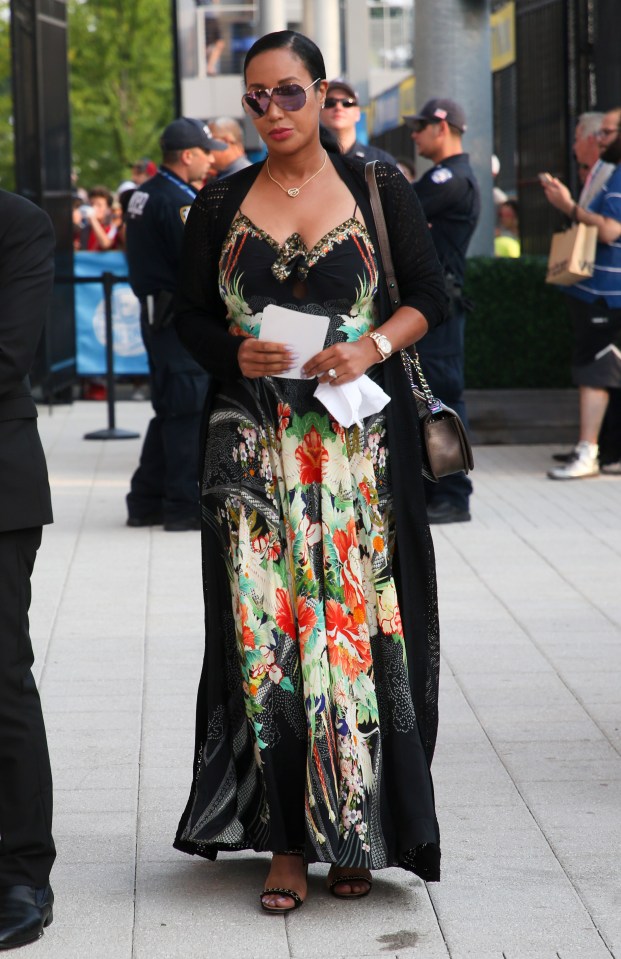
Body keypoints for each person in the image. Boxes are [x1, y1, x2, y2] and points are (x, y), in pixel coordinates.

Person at [172, 30, 446, 913]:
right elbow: (185, 319)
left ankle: (353, 826)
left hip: (355, 461)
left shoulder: (378, 185)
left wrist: (366, 345)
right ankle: (288, 840)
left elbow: (429, 302)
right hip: (250, 460)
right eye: (255, 98)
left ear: (324, 93)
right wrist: (233, 350)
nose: (272, 113)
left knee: (353, 638)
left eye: (288, 93)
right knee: (267, 643)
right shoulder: (217, 203)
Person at [124, 118, 226, 531]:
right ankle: (182, 505)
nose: (212, 157)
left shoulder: (144, 194)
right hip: (175, 320)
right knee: (185, 410)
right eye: (206, 151)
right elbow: (199, 263)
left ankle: (145, 499)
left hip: (157, 318)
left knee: (169, 409)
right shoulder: (179, 201)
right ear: (187, 156)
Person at [0, 190, 55, 949]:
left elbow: (8, 354)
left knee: (0, 675)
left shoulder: (17, 223)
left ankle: (20, 870)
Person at [404, 98, 480, 523]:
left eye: (419, 126)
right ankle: (438, 490)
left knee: (442, 398)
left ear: (441, 126)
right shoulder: (444, 177)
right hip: (432, 307)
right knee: (427, 397)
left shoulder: (449, 178)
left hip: (440, 310)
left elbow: (399, 212)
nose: (414, 135)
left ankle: (453, 493)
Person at [543, 107, 621, 480]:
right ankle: (601, 453)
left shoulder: (617, 174)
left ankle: (589, 453)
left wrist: (569, 206)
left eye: (607, 132)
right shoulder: (611, 171)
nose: (598, 139)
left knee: (594, 374)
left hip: (606, 291)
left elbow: (609, 231)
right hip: (600, 289)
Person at [321, 78, 396, 165]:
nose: (338, 108)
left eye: (347, 103)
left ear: (357, 113)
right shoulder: (306, 159)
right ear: (318, 110)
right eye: (330, 102)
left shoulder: (381, 161)